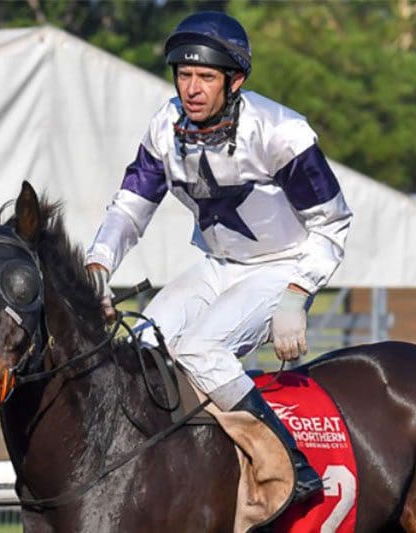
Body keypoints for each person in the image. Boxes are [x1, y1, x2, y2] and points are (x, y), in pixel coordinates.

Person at [85, 11, 351, 502]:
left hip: (282, 268)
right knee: (143, 345)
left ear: (236, 80)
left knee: (201, 350)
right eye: (183, 75)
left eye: (205, 76)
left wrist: (298, 293)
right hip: (218, 266)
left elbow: (332, 223)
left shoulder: (281, 132)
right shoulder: (165, 128)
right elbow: (129, 209)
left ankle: (292, 466)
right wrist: (98, 267)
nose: (192, 88)